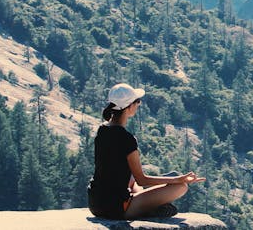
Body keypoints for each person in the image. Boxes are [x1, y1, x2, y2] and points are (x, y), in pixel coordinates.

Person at [87, 83, 205, 219]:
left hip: (95, 203)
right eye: (137, 101)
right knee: (181, 187)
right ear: (129, 106)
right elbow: (142, 180)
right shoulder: (127, 139)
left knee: (131, 178)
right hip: (116, 209)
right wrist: (177, 179)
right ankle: (148, 209)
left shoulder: (102, 130)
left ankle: (147, 205)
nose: (139, 104)